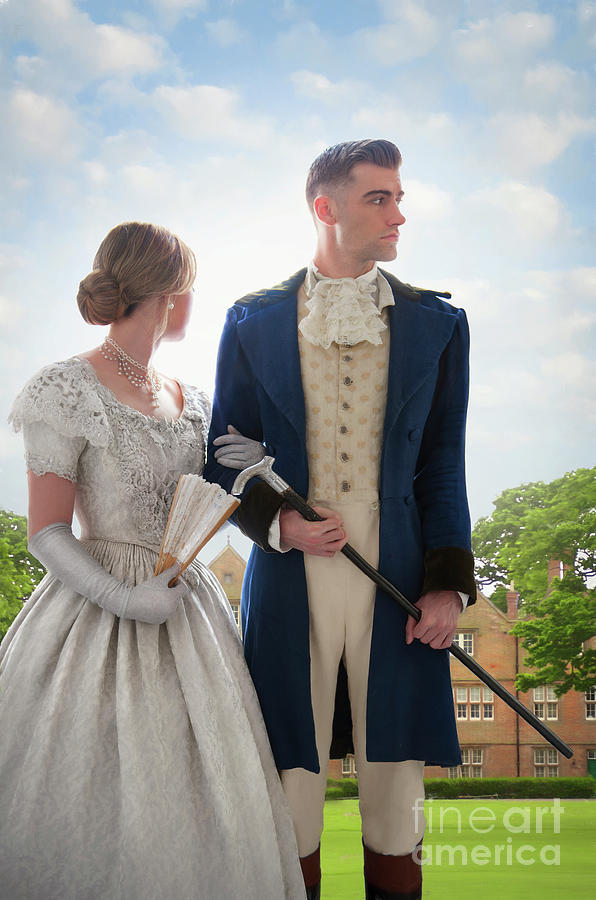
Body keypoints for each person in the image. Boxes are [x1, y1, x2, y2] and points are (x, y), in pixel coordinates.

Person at [0, 222, 305, 900]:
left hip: (191, 619)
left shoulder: (193, 402)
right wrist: (123, 598)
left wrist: (267, 476)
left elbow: (220, 497)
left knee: (205, 801)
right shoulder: (65, 388)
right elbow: (46, 531)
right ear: (171, 294)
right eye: (191, 287)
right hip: (94, 613)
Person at [206, 140, 477, 900]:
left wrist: (448, 587)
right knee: (289, 780)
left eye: (399, 196)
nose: (399, 213)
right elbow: (221, 454)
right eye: (379, 198)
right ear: (326, 208)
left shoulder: (440, 323)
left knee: (395, 789)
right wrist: (279, 525)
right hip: (289, 572)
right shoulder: (250, 318)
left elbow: (444, 464)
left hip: (398, 571)